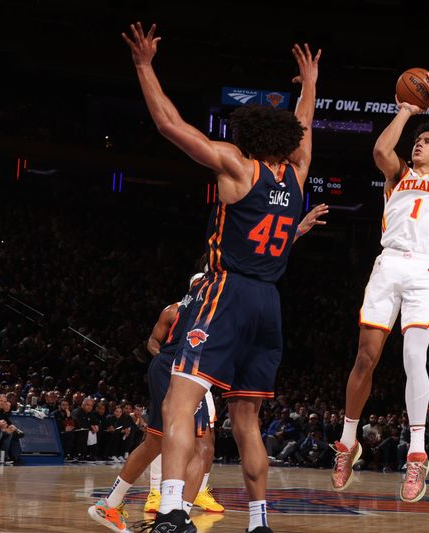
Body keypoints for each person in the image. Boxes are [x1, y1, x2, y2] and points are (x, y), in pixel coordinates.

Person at [122, 21, 320, 533]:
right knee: (248, 421)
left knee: (179, 402)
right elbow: (305, 129)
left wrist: (145, 66)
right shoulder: (297, 176)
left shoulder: (238, 166)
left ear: (247, 137)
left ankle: (170, 512)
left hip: (226, 292)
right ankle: (258, 523)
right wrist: (311, 87)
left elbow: (170, 125)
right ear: (289, 142)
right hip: (269, 303)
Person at [330, 70, 429, 502]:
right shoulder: (398, 174)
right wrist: (407, 110)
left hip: (425, 271)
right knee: (365, 358)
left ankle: (417, 455)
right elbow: (379, 148)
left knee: (413, 358)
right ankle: (348, 441)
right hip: (387, 265)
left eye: (425, 140)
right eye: (418, 140)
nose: (418, 144)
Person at [88, 273, 217, 533]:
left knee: (156, 441)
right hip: (177, 369)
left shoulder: (195, 307)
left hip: (174, 368)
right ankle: (177, 518)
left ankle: (110, 504)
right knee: (202, 446)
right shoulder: (189, 308)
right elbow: (153, 341)